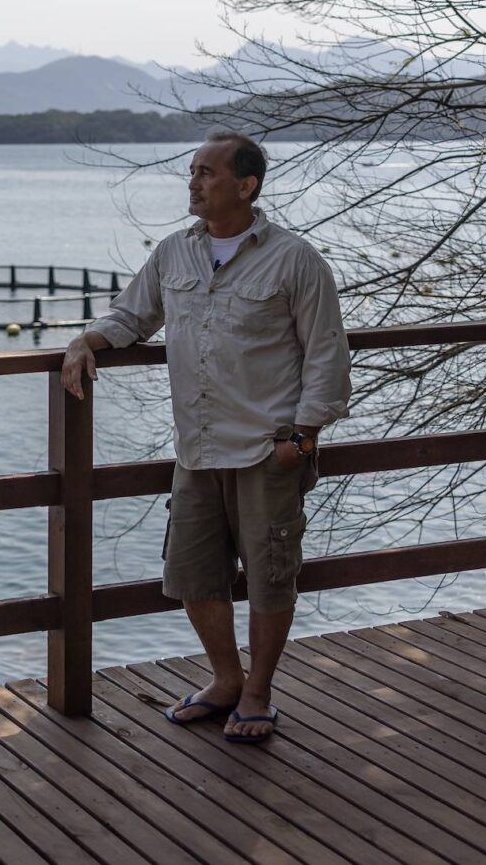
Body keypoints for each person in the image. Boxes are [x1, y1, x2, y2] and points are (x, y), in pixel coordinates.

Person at [61, 129, 350, 743]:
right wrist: (85, 340)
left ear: (245, 186)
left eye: (206, 173)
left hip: (268, 448)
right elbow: (131, 316)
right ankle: (224, 679)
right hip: (196, 447)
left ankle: (259, 692)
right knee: (193, 574)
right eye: (191, 172)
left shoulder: (294, 259)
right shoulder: (175, 253)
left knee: (271, 576)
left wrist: (302, 436)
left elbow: (326, 352)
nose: (193, 182)